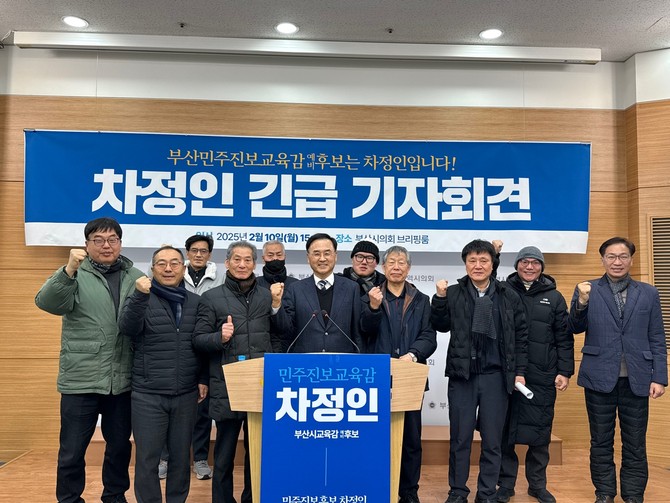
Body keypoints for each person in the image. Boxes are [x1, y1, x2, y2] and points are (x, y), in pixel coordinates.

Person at [35, 217, 144, 503]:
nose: (106, 245)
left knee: (119, 447)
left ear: (120, 243)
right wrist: (68, 270)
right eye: (98, 240)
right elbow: (47, 302)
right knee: (72, 450)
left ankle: (114, 496)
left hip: (122, 379)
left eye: (112, 240)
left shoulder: (135, 276)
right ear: (86, 244)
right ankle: (69, 499)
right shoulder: (74, 274)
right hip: (80, 379)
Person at [567, 237, 667, 503]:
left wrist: (659, 377)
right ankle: (604, 493)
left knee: (635, 442)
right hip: (598, 377)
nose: (617, 262)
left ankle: (633, 495)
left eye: (623, 256)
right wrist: (582, 302)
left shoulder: (649, 293)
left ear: (631, 260)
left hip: (638, 378)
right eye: (611, 256)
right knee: (601, 441)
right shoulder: (587, 289)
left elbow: (657, 337)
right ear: (602, 260)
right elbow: (574, 327)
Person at [430, 239, 528, 503]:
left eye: (483, 260)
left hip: (496, 377)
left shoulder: (508, 295)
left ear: (493, 264)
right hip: (463, 376)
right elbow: (440, 325)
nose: (477, 265)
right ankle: (457, 491)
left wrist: (519, 371)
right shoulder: (453, 292)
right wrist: (439, 299)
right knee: (460, 438)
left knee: (493, 440)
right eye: (472, 260)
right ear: (465, 264)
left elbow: (521, 336)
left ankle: (486, 493)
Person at [193, 240, 280, 503]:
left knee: (257, 454)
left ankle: (252, 498)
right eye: (237, 259)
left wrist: (273, 359)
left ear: (255, 263)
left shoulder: (266, 296)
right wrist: (219, 337)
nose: (242, 265)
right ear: (227, 263)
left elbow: (279, 334)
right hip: (227, 386)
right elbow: (198, 340)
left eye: (248, 260)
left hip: (261, 385)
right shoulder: (211, 298)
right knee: (224, 456)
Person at [119, 246, 207, 503]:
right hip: (148, 393)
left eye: (174, 263)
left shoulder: (196, 302)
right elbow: (127, 328)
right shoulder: (140, 297)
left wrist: (202, 378)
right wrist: (139, 296)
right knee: (148, 458)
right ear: (152, 269)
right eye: (161, 264)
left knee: (180, 457)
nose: (168, 268)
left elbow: (200, 344)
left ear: (184, 268)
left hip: (186, 393)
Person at [496, 246, 574, 503]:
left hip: (542, 375)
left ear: (542, 267)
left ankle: (537, 485)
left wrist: (564, 371)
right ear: (516, 265)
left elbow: (564, 338)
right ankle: (505, 485)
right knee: (505, 432)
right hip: (508, 375)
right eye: (524, 262)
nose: (529, 267)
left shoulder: (554, 297)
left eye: (535, 263)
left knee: (540, 434)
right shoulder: (503, 291)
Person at [363, 245, 437, 503]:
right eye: (391, 262)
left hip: (409, 376)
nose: (396, 266)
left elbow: (429, 336)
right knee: (374, 436)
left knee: (411, 439)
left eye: (401, 262)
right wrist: (373, 308)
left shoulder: (421, 299)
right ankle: (377, 487)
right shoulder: (370, 296)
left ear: (409, 267)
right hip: (376, 377)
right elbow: (364, 332)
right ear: (383, 267)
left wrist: (413, 355)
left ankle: (408, 491)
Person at [272, 232, 364, 353]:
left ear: (335, 256)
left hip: (342, 360)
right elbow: (285, 330)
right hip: (306, 359)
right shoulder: (295, 289)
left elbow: (357, 333)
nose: (322, 258)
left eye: (327, 253)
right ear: (308, 258)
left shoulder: (351, 288)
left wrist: (359, 357)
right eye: (316, 254)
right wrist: (276, 304)